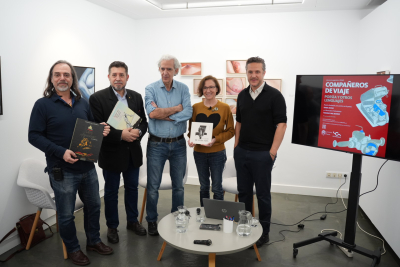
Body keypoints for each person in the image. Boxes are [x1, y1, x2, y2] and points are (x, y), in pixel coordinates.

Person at [28, 60, 113, 266]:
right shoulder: (43, 105)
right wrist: (61, 152)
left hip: (87, 167)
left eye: (66, 75)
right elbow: (34, 136)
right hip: (62, 170)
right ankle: (73, 248)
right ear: (51, 78)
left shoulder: (83, 102)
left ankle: (93, 241)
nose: (62, 78)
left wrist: (101, 129)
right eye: (57, 75)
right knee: (66, 215)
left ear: (72, 79)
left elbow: (91, 128)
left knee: (93, 206)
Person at [89, 61, 148, 243]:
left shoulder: (136, 97)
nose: (118, 78)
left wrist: (139, 132)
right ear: (108, 77)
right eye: (114, 75)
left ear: (127, 77)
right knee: (111, 192)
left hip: (132, 153)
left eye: (121, 75)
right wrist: (121, 135)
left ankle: (132, 221)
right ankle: (112, 227)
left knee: (132, 189)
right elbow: (97, 128)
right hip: (111, 154)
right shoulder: (97, 99)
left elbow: (143, 122)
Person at [234, 56, 287, 248]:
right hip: (243, 152)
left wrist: (272, 152)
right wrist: (236, 146)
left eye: (257, 71)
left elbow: (282, 124)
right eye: (250, 72)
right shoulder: (241, 95)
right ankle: (246, 225)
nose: (254, 75)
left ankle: (264, 232)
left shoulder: (275, 96)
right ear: (246, 73)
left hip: (263, 154)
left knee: (263, 194)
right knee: (244, 193)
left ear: (264, 73)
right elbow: (238, 122)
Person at [144, 54, 192, 236]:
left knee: (178, 186)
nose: (165, 72)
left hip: (179, 144)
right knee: (153, 186)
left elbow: (188, 111)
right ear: (159, 70)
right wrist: (175, 109)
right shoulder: (151, 89)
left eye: (169, 69)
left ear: (176, 71)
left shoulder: (183, 88)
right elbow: (152, 114)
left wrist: (165, 114)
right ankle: (151, 221)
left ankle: (176, 216)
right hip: (157, 144)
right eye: (162, 68)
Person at [187, 75, 234, 206]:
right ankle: (204, 213)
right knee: (203, 187)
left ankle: (218, 218)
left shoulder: (225, 108)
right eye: (205, 87)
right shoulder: (195, 107)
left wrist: (215, 140)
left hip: (217, 153)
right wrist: (191, 140)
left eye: (211, 87)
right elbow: (191, 130)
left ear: (217, 89)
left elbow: (231, 131)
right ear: (202, 90)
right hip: (199, 153)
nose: (208, 90)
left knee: (217, 188)